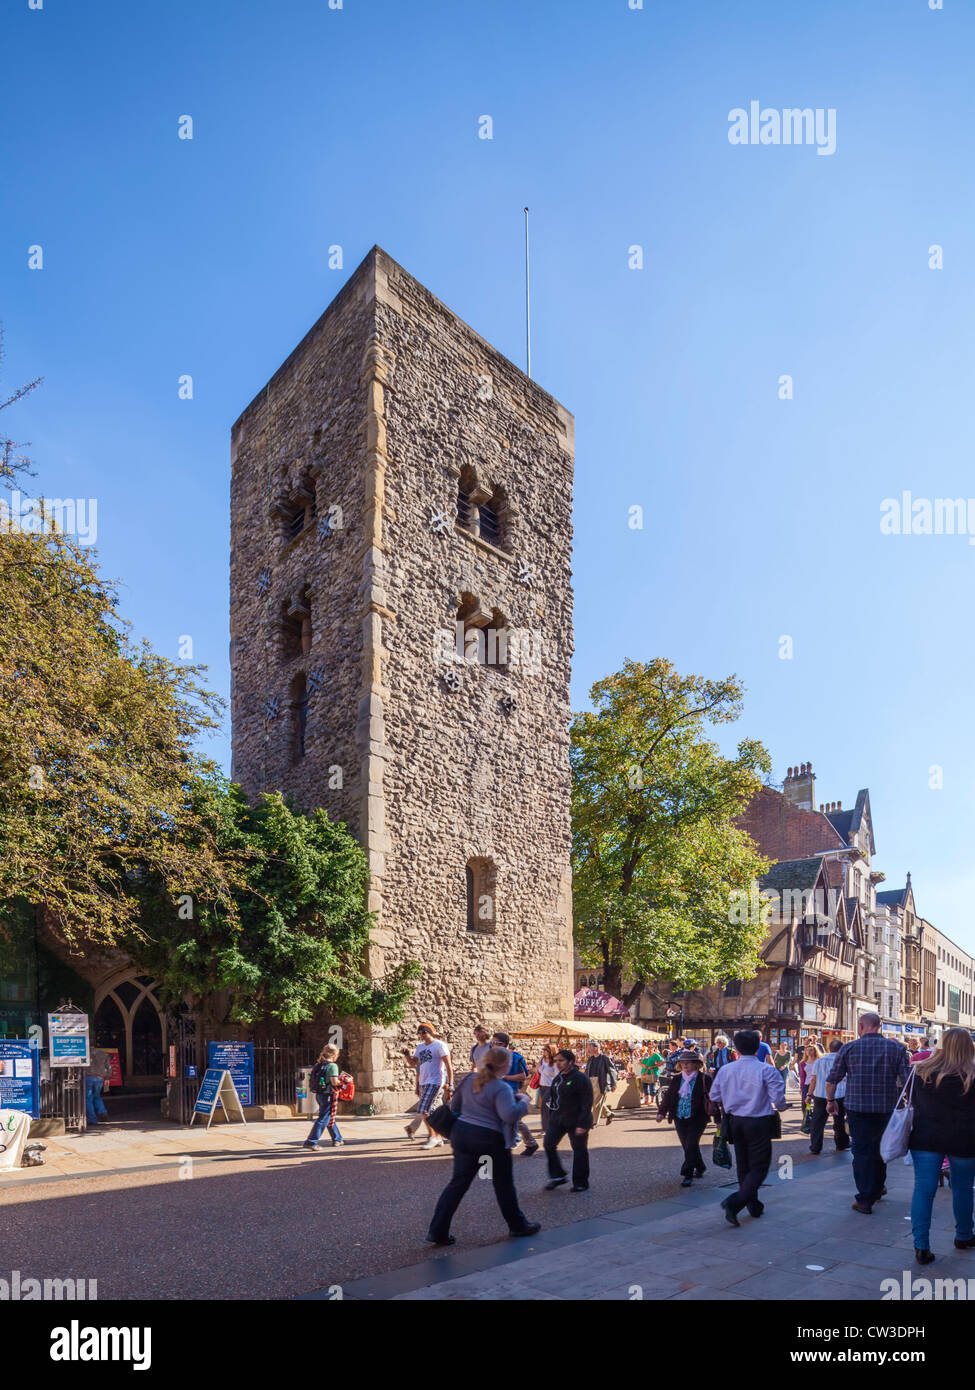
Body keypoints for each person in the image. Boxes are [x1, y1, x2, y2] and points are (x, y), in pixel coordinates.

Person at [426, 1047, 541, 1246]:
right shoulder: (501, 1087)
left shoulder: (470, 1079)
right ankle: (517, 1225)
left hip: (462, 1134)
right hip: (489, 1139)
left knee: (457, 1184)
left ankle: (438, 1230)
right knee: (503, 1184)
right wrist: (524, 1101)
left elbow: (455, 1107)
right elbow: (509, 1115)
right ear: (505, 1066)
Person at [825, 1011, 910, 1215]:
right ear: (879, 1026)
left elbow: (832, 1080)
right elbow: (907, 1081)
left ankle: (865, 1198)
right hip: (886, 1109)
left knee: (862, 1152)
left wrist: (830, 1101)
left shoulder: (849, 1048)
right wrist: (906, 1103)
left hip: (857, 1108)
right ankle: (878, 1188)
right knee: (881, 1149)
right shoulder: (897, 1048)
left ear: (861, 1026)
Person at [908, 1029, 975, 1264]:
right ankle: (964, 1235)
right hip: (965, 1139)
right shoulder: (971, 1074)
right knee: (964, 1188)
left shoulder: (921, 1071)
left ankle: (921, 1246)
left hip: (926, 1137)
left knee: (924, 1190)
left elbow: (911, 1101)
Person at [707, 1029, 787, 1226]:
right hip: (759, 1120)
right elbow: (780, 1100)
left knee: (744, 1165)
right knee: (759, 1166)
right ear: (758, 1047)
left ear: (736, 1047)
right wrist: (784, 1106)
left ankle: (752, 1204)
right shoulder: (766, 1070)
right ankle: (735, 1202)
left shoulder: (726, 1070)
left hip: (735, 1121)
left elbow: (714, 1096)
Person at [657, 1049, 713, 1186]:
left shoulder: (705, 1079)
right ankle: (700, 1166)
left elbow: (713, 1100)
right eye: (683, 1063)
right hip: (679, 1116)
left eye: (688, 1063)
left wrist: (718, 1120)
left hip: (697, 1117)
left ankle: (687, 1174)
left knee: (691, 1144)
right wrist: (661, 1112)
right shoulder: (676, 1079)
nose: (685, 1066)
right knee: (688, 1145)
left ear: (696, 1064)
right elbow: (668, 1097)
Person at [544, 1048, 594, 1192]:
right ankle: (558, 1176)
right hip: (558, 1119)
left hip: (576, 1120)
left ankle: (581, 1182)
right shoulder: (558, 1078)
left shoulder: (580, 1078)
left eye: (561, 1061)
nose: (558, 1064)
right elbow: (553, 1098)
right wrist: (551, 1116)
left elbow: (586, 1103)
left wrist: (583, 1124)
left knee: (579, 1150)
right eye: (556, 1061)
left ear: (570, 1061)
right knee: (548, 1144)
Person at [403, 1022, 454, 1149]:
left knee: (424, 1109)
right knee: (431, 1111)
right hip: (423, 1081)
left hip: (435, 1081)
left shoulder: (440, 1045)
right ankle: (439, 1136)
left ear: (430, 1032)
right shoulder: (420, 1047)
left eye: (424, 1032)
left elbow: (448, 1065)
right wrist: (407, 1055)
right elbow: (413, 1063)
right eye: (419, 1033)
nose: (421, 1035)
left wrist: (450, 1084)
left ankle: (433, 1137)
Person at [491, 1031, 539, 1155]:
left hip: (509, 1092)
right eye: (492, 1043)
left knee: (514, 1120)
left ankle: (530, 1143)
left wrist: (505, 1077)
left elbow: (524, 1075)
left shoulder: (515, 1057)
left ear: (503, 1044)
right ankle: (527, 1143)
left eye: (495, 1043)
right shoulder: (491, 1057)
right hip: (495, 1091)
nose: (492, 1045)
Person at [806, 1040, 848, 1155]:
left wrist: (809, 1095)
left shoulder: (819, 1061)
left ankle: (815, 1147)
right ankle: (841, 1144)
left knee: (817, 1122)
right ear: (842, 1049)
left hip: (820, 1094)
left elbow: (813, 1080)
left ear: (829, 1049)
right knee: (839, 1121)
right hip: (839, 1095)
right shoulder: (843, 1061)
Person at [303, 1043, 345, 1149]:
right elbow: (334, 1082)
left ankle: (337, 1139)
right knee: (323, 1119)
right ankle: (311, 1141)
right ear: (334, 1054)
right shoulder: (332, 1066)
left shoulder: (319, 1064)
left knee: (329, 1117)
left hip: (319, 1094)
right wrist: (345, 1081)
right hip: (328, 1095)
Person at [585, 1041, 618, 1126]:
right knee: (594, 1102)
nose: (588, 1050)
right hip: (590, 1081)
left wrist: (614, 1084)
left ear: (596, 1048)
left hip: (601, 1082)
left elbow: (612, 1071)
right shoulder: (590, 1059)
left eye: (590, 1048)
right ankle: (609, 1114)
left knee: (596, 1102)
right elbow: (586, 1071)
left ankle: (594, 1122)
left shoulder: (605, 1058)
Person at [535, 1044, 559, 1134]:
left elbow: (558, 1075)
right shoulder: (541, 1059)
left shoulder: (555, 1062)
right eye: (544, 1049)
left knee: (545, 1106)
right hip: (542, 1086)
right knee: (548, 1107)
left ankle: (545, 1129)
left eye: (546, 1050)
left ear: (551, 1051)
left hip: (551, 1086)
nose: (544, 1051)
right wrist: (538, 1066)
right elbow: (537, 1071)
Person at [85, 1046, 111, 1127]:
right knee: (97, 1096)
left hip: (88, 1077)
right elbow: (108, 1068)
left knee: (88, 1099)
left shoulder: (84, 1052)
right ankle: (102, 1111)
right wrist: (107, 1077)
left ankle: (92, 1119)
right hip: (99, 1078)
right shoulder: (103, 1053)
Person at [798, 1041, 822, 1107]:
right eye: (807, 1050)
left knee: (817, 1102)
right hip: (806, 1084)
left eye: (811, 1050)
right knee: (806, 1102)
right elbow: (802, 1076)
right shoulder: (803, 1063)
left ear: (815, 1051)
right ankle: (807, 1113)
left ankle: (815, 1114)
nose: (809, 1052)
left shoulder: (820, 1061)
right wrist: (801, 1088)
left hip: (818, 1085)